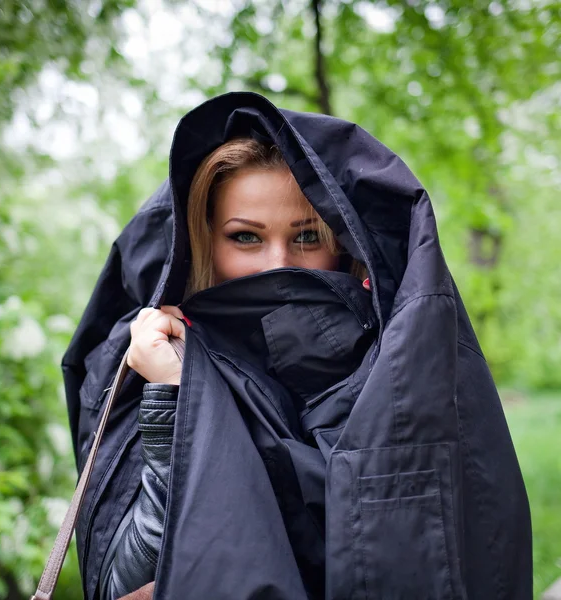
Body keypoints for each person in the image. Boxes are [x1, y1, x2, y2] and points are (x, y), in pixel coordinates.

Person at [62, 92, 532, 600]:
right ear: (201, 241)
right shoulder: (149, 361)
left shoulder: (402, 362)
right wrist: (175, 397)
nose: (278, 263)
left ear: (343, 243)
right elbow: (122, 585)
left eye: (306, 237)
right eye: (246, 237)